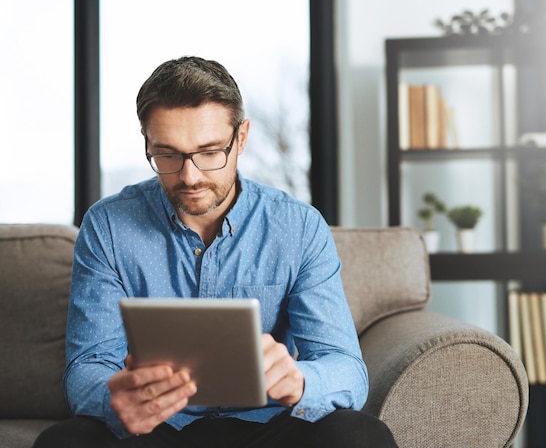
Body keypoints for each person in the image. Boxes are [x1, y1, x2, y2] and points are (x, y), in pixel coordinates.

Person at [33, 56, 398, 448]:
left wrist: (300, 379)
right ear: (147, 142)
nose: (189, 176)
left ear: (241, 138)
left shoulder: (299, 227)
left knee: (361, 435)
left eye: (209, 152)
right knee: (64, 441)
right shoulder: (107, 226)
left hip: (269, 425)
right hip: (157, 430)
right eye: (168, 154)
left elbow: (345, 368)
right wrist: (114, 398)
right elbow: (88, 365)